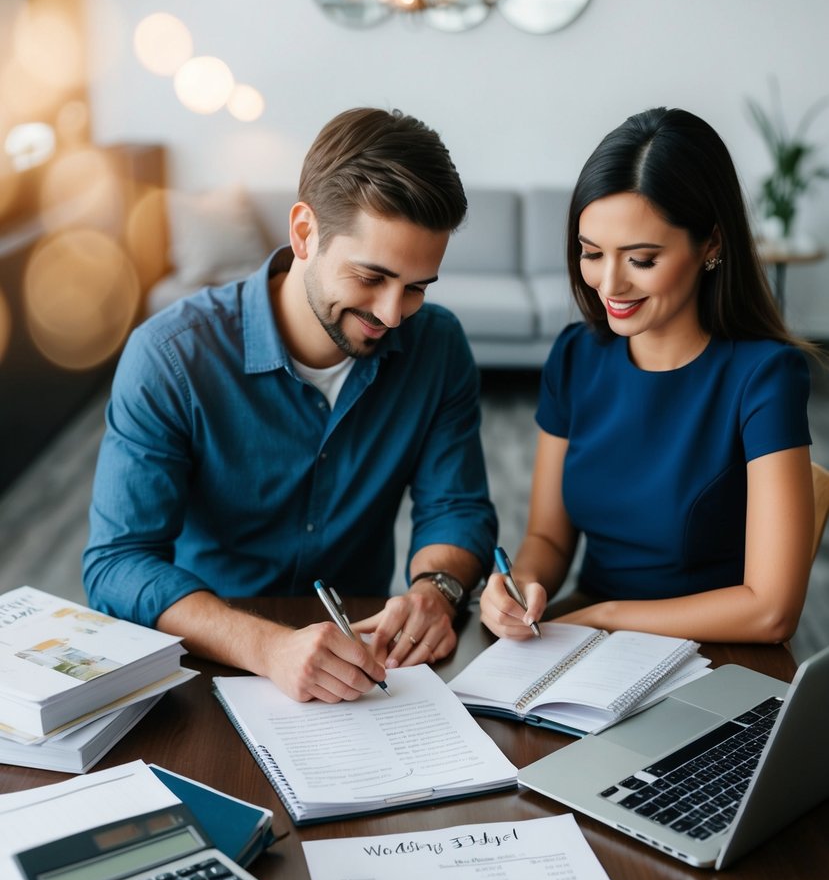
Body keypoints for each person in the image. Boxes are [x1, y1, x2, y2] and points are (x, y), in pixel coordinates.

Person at [83, 107, 497, 702]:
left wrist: (438, 589)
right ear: (304, 233)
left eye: (416, 288)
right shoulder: (169, 356)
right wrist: (267, 647)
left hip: (365, 661)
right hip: (213, 656)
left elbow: (456, 506)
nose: (390, 313)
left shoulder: (438, 346)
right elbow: (118, 563)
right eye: (370, 277)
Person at [481, 106, 814, 646]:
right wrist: (521, 586)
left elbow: (770, 611)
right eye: (591, 253)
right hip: (587, 643)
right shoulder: (575, 356)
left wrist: (605, 617)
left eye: (640, 259)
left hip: (716, 652)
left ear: (711, 244)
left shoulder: (765, 376)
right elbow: (547, 536)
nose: (608, 283)